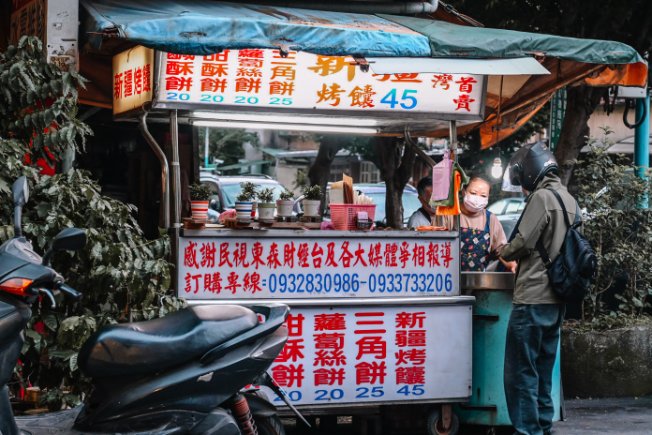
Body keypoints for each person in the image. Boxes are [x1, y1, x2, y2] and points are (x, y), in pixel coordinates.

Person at [497, 142, 579, 435]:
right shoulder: (567, 197)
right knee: (544, 368)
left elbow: (522, 242)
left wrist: (503, 251)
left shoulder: (541, 198)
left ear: (529, 173)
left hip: (532, 297)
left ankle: (528, 430)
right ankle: (543, 427)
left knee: (521, 372)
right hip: (556, 299)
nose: (522, 187)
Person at [457, 175, 516, 272]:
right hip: (449, 281)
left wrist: (512, 265)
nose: (477, 198)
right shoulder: (450, 215)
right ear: (464, 192)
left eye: (483, 195)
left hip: (479, 281)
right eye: (473, 193)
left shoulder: (490, 219)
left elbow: (500, 249)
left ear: (488, 198)